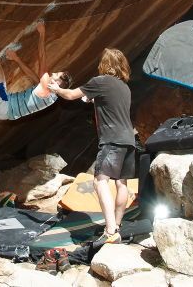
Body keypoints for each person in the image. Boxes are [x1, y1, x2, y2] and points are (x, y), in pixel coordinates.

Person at [50, 48, 133, 244]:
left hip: (112, 139)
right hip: (129, 139)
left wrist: (55, 88)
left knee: (100, 181)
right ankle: (117, 226)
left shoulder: (100, 81)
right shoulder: (124, 87)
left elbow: (70, 95)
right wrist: (94, 99)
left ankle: (110, 231)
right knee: (122, 183)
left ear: (104, 65)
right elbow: (110, 105)